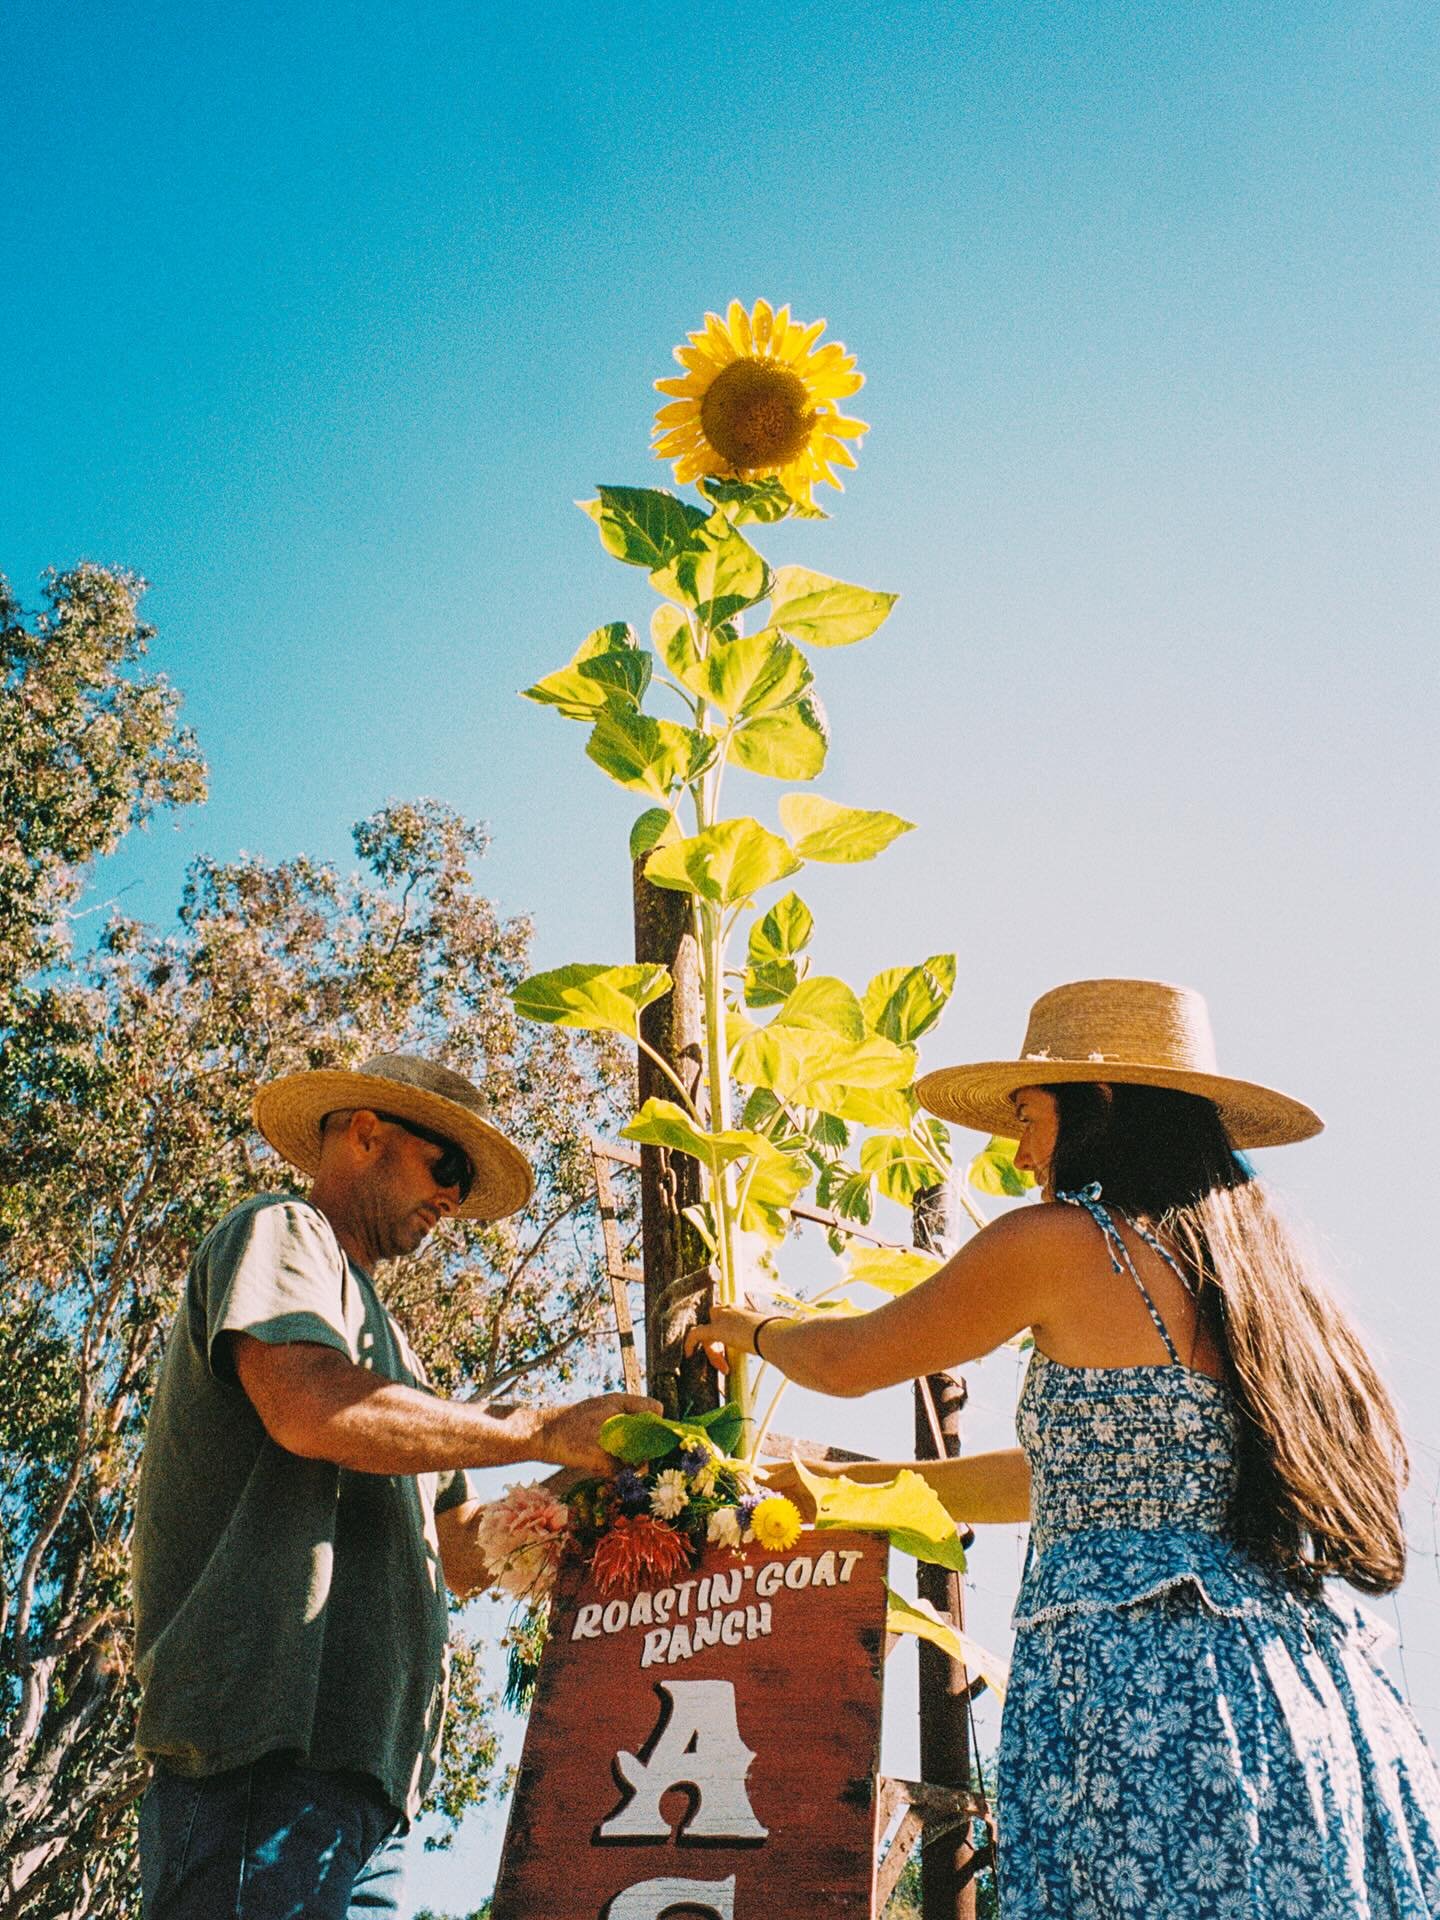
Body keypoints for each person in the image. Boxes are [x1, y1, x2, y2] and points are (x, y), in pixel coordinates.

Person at [690, 978, 1440, 1916]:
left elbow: (848, 1361)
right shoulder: (1259, 1283)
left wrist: (750, 1328)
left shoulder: (1061, 1241)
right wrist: (830, 1490)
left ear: (1103, 1105)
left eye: (1029, 1116)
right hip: (1307, 1710)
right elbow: (1062, 1478)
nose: (1017, 1152)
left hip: (1149, 1710)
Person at [132, 1052, 658, 1920]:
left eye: (465, 1184)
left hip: (373, 1791)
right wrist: (537, 1427)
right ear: (367, 1135)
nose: (453, 1199)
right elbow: (308, 1405)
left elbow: (461, 1551)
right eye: (446, 1166)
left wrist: (601, 1478)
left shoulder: (399, 1360)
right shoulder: (283, 1230)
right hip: (261, 1756)